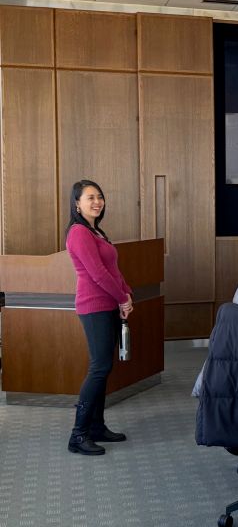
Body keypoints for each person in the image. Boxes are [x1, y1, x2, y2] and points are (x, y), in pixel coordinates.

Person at [65, 180, 133, 456]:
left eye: (100, 197)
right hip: (94, 306)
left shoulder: (97, 232)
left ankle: (97, 427)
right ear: (77, 204)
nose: (97, 201)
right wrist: (121, 298)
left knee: (104, 368)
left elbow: (113, 270)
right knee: (99, 368)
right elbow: (97, 274)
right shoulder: (79, 233)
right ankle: (78, 434)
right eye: (90, 197)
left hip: (108, 305)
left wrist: (126, 294)